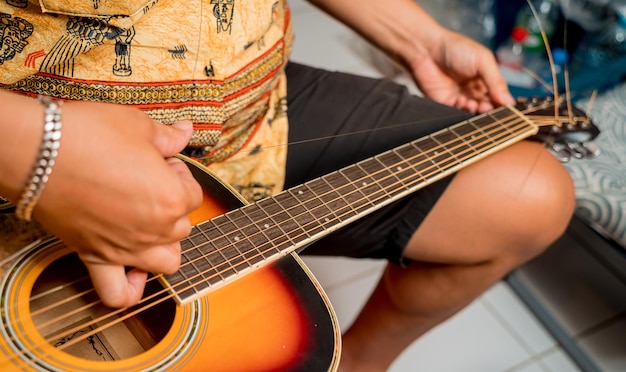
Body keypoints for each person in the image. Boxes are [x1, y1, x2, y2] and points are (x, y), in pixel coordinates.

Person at [0, 0, 574, 371]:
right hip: (25, 161)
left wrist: (417, 37)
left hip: (255, 120)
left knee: (529, 194)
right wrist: (37, 152)